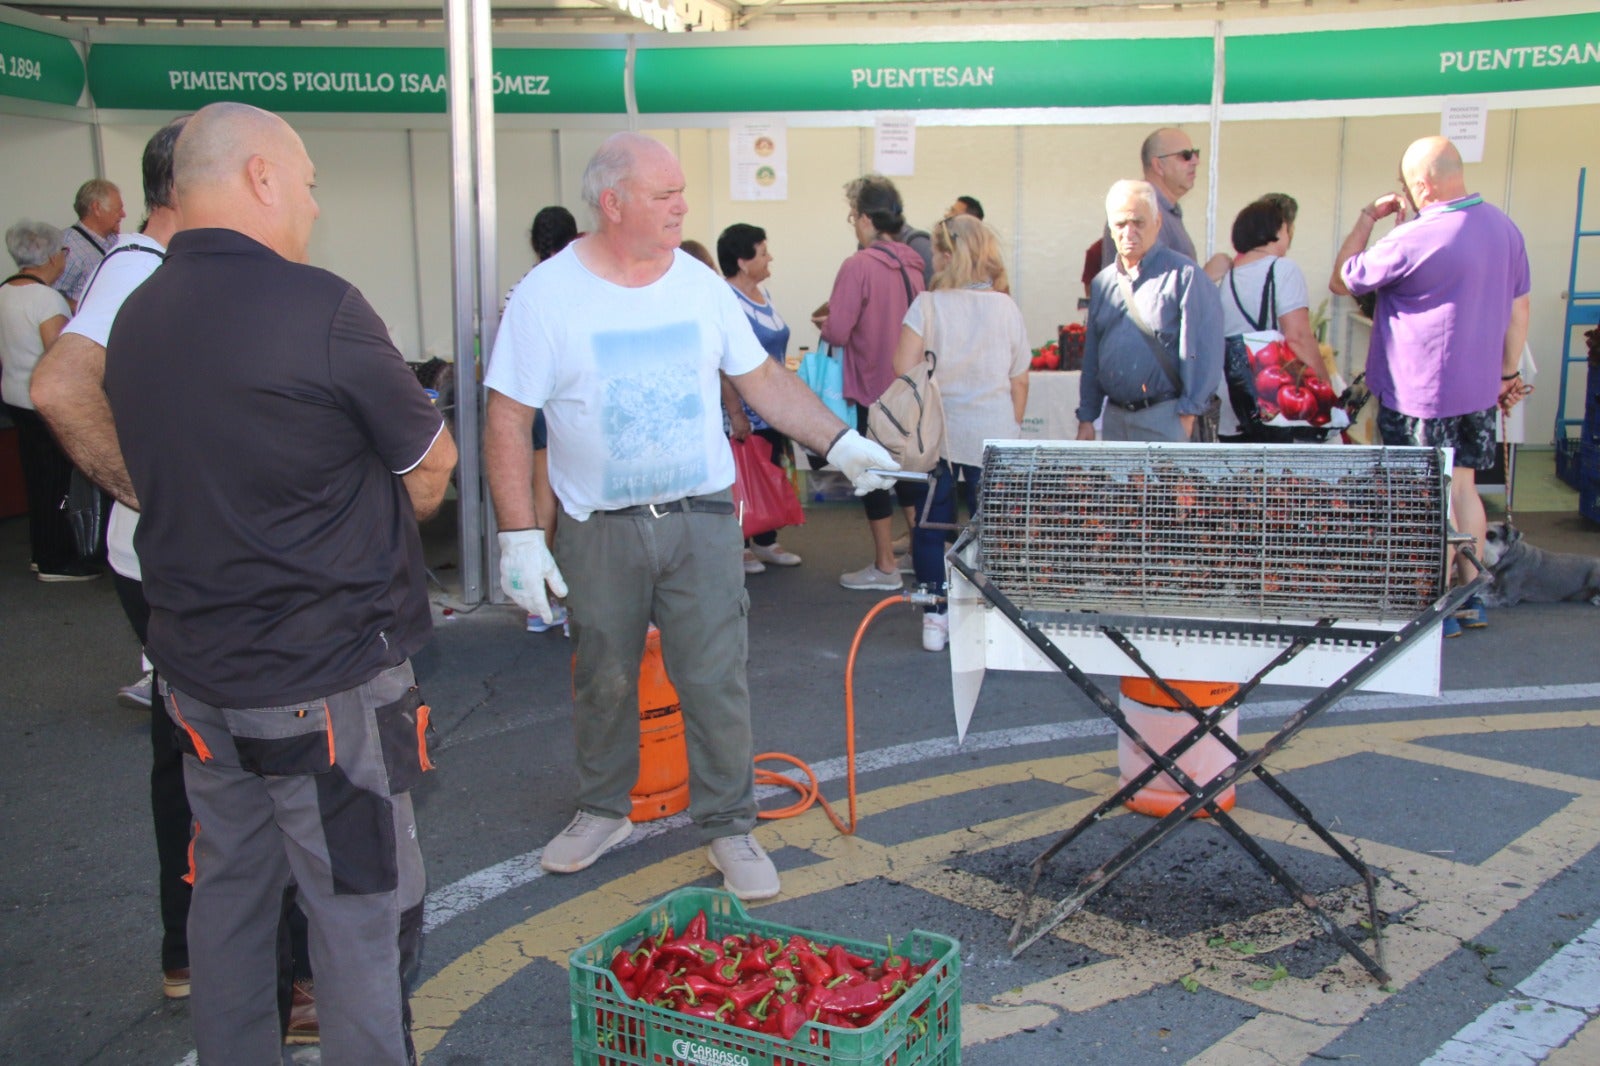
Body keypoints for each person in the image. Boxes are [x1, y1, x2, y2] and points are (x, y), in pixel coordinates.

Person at [102, 101, 457, 1063]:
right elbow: (431, 464)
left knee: (228, 898)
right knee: (360, 912)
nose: (309, 200)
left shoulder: (135, 314)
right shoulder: (322, 305)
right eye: (305, 180)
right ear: (259, 175)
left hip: (197, 680)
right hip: (326, 685)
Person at [483, 132, 897, 902]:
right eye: (663, 195)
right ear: (612, 204)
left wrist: (841, 442)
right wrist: (517, 535)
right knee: (603, 676)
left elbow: (764, 380)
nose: (682, 207)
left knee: (714, 678)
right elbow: (507, 416)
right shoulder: (548, 294)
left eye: (682, 194)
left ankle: (729, 826)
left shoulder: (701, 286)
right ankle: (603, 808)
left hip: (702, 517)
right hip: (599, 525)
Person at [1331, 134, 1530, 636]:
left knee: (1424, 496)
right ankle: (1470, 594)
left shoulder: (1414, 236)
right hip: (1478, 390)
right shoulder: (1505, 229)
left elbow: (1342, 279)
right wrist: (1506, 374)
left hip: (1419, 392)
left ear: (1422, 184)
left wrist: (1366, 219)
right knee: (1463, 488)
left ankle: (1434, 605)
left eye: (1406, 184)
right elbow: (1518, 311)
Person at [893, 215, 1029, 652]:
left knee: (931, 525)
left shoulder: (928, 305)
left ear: (949, 255)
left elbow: (902, 368)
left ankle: (936, 615)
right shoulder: (1006, 307)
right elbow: (1019, 377)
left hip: (940, 436)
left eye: (936, 251)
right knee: (993, 526)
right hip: (993, 432)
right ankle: (992, 614)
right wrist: (1013, 426)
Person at [817, 174, 928, 590]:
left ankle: (885, 566)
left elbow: (839, 331)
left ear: (865, 218)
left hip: (873, 388)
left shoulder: (858, 265)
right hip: (911, 389)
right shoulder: (913, 266)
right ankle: (920, 554)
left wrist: (825, 325)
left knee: (874, 475)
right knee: (910, 474)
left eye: (852, 217)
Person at [1077, 180, 1223, 443]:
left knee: (1166, 486)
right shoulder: (1102, 283)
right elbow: (1092, 357)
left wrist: (1188, 414)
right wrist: (1087, 417)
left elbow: (1204, 349)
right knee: (1118, 487)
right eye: (1120, 224)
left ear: (1157, 223)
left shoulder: (1185, 276)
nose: (1129, 232)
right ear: (1110, 228)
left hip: (1166, 416)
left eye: (1138, 222)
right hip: (1115, 419)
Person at [2, 220, 101, 581]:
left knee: (36, 477)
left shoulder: (5, 291)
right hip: (43, 401)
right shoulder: (46, 298)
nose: (65, 256)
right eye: (62, 250)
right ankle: (56, 561)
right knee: (58, 481)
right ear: (47, 256)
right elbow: (61, 359)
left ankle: (40, 551)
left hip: (14, 396)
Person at [718, 222, 802, 574]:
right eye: (763, 252)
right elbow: (722, 364)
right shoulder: (726, 299)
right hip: (743, 410)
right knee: (741, 476)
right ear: (742, 260)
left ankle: (766, 541)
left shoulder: (763, 296)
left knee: (768, 473)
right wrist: (736, 412)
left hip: (772, 407)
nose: (770, 258)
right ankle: (740, 546)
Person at [1216, 198, 1335, 440]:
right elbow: (1298, 336)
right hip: (1273, 401)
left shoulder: (1227, 276)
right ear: (1277, 231)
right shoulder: (1282, 269)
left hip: (1233, 403)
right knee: (1278, 476)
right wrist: (1325, 386)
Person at [520, 205, 582, 635]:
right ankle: (578, 605)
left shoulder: (522, 288)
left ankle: (540, 605)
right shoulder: (578, 285)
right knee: (582, 506)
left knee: (544, 503)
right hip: (573, 404)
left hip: (536, 405)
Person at [1101, 128, 1200, 267]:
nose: (1195, 161)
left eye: (1196, 154)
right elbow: (1149, 280)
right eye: (1186, 155)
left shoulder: (1165, 209)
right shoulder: (1143, 211)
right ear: (1158, 165)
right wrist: (1208, 276)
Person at [55, 179, 125, 311]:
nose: (123, 214)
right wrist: (85, 310)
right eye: (118, 209)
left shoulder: (115, 240)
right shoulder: (68, 246)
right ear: (97, 208)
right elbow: (51, 294)